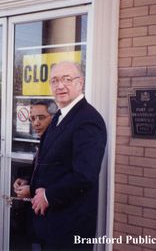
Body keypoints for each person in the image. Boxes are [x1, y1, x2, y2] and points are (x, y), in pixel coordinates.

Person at [30, 61, 107, 250]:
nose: (60, 86)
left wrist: (48, 195)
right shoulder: (59, 115)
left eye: (67, 79)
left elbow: (84, 175)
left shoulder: (88, 120)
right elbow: (50, 160)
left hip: (70, 228)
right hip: (50, 225)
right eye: (55, 81)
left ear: (80, 83)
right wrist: (28, 183)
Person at [13, 100, 57, 199]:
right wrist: (27, 181)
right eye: (32, 118)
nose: (36, 123)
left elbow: (58, 180)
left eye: (41, 118)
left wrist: (31, 190)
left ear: (54, 117)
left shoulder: (58, 144)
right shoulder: (44, 140)